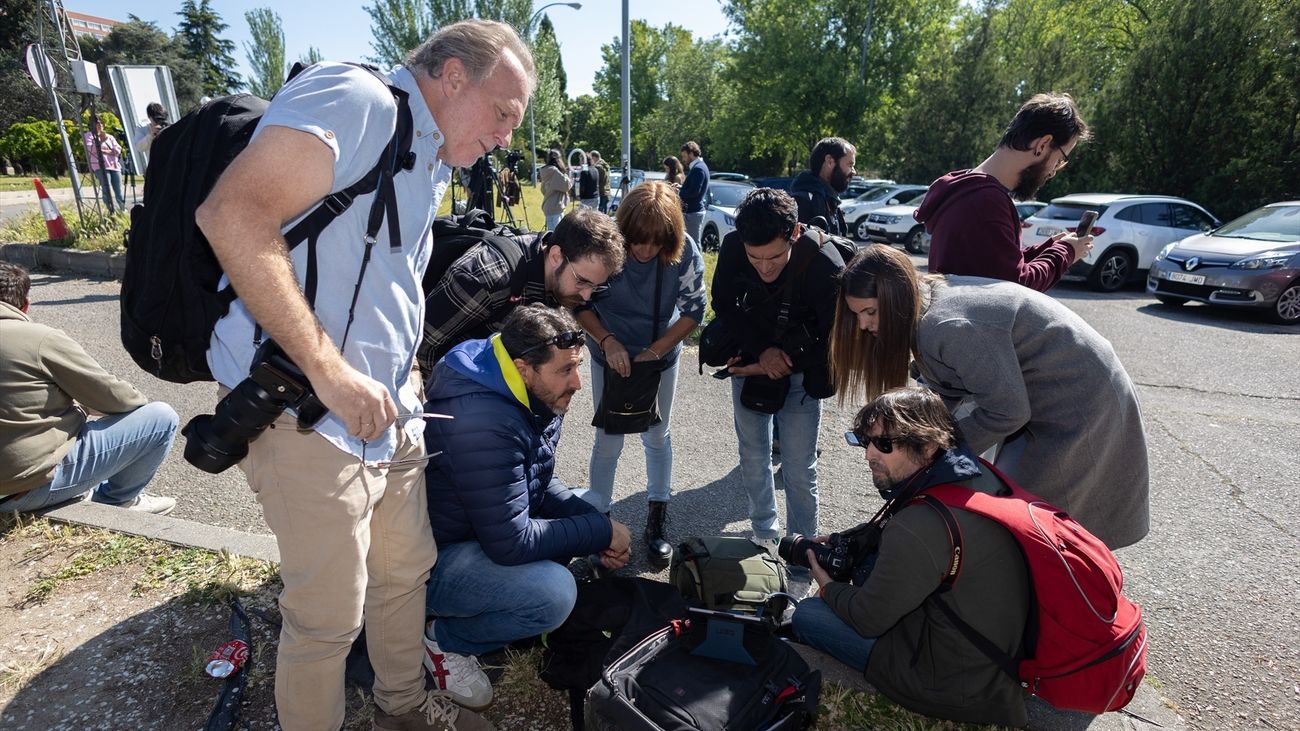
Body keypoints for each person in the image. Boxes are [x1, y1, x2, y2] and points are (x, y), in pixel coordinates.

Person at [195, 19, 536, 731]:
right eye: (503, 112)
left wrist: (406, 372)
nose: (507, 135)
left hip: (386, 412)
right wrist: (332, 375)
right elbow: (231, 214)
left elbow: (386, 283)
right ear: (451, 76)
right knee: (326, 618)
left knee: (404, 573)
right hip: (304, 408)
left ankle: (402, 708)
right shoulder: (359, 101)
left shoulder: (431, 155)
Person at [828, 244, 1149, 549]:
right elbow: (951, 391)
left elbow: (1007, 411)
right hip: (1050, 394)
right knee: (1008, 511)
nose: (863, 325)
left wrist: (934, 456)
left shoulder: (946, 326)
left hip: (1080, 401)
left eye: (870, 311)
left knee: (1030, 525)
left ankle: (1073, 593)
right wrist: (919, 437)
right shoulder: (923, 301)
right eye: (857, 315)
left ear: (895, 298)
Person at [421, 305, 632, 709]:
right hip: (433, 566)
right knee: (554, 594)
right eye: (565, 371)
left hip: (479, 533)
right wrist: (601, 533)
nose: (578, 382)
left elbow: (535, 475)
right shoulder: (482, 421)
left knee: (590, 504)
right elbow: (510, 544)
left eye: (578, 367)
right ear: (523, 367)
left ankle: (499, 601)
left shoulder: (522, 388)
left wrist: (594, 525)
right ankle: (439, 640)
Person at [792, 386, 1031, 727]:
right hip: (1000, 655)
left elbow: (866, 619)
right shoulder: (976, 473)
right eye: (865, 441)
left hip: (952, 683)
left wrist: (827, 585)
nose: (869, 455)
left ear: (928, 445)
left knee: (808, 614)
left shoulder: (918, 527)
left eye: (885, 444)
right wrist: (859, 539)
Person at [710, 188, 846, 593]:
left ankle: (804, 555)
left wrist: (781, 357)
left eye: (774, 257)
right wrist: (761, 353)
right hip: (750, 363)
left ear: (795, 232)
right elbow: (724, 304)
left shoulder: (824, 264)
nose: (764, 268)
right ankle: (765, 537)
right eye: (756, 259)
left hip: (804, 373)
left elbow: (834, 335)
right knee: (752, 455)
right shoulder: (736, 245)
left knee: (800, 468)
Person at [574, 182, 706, 566]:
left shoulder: (684, 253)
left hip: (658, 356)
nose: (645, 250)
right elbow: (577, 301)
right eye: (638, 241)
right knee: (608, 435)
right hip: (609, 352)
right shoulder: (605, 248)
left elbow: (694, 311)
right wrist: (607, 341)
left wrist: (655, 351)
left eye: (656, 242)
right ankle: (599, 523)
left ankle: (657, 520)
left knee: (657, 433)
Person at [0, 262, 178, 515]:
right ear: (26, 305)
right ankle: (117, 502)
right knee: (161, 418)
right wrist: (80, 405)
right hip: (21, 491)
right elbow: (120, 399)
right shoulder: (38, 338)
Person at [915, 92, 1093, 292]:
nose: (1053, 171)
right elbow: (1016, 288)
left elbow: (994, 267)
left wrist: (1049, 249)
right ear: (1042, 145)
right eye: (1060, 160)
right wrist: (1066, 252)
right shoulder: (987, 202)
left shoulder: (967, 189)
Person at [417, 207, 624, 376]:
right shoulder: (488, 276)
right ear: (555, 256)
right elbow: (421, 350)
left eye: (596, 287)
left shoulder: (556, 277)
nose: (587, 296)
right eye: (582, 282)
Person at [789, 136, 855, 237]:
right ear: (829, 161)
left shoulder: (829, 200)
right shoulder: (804, 201)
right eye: (850, 165)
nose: (854, 172)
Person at [83, 118, 125, 212]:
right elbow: (91, 149)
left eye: (101, 123)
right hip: (100, 167)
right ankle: (111, 211)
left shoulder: (109, 136)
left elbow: (117, 150)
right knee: (107, 189)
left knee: (118, 190)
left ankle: (122, 210)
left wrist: (103, 150)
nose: (100, 125)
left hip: (114, 166)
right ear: (92, 125)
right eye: (97, 123)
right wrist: (102, 143)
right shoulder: (88, 136)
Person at [678, 141, 710, 243]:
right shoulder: (700, 167)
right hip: (693, 212)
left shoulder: (698, 169)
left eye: (684, 156)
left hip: (693, 213)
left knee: (693, 244)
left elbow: (694, 192)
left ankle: (698, 260)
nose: (683, 160)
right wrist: (680, 187)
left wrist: (678, 192)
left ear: (691, 153)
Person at [539, 148, 570, 230]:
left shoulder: (545, 171)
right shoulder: (554, 171)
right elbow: (566, 185)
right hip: (555, 207)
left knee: (552, 233)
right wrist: (566, 175)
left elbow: (543, 190)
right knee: (556, 235)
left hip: (549, 205)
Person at [133, 102, 168, 167]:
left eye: (162, 119)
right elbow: (139, 148)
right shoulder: (142, 128)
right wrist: (151, 135)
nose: (159, 122)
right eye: (156, 119)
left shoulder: (169, 127)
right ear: (149, 117)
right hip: (155, 167)